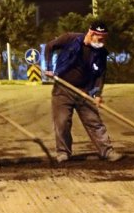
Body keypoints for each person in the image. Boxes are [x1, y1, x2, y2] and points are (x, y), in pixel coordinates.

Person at [44, 21, 123, 163]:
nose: (102, 41)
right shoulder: (70, 39)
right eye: (100, 38)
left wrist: (97, 94)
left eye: (104, 38)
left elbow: (100, 75)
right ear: (91, 33)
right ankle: (63, 153)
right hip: (62, 88)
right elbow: (50, 46)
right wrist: (49, 68)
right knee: (62, 122)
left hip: (85, 91)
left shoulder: (101, 53)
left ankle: (107, 151)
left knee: (94, 122)